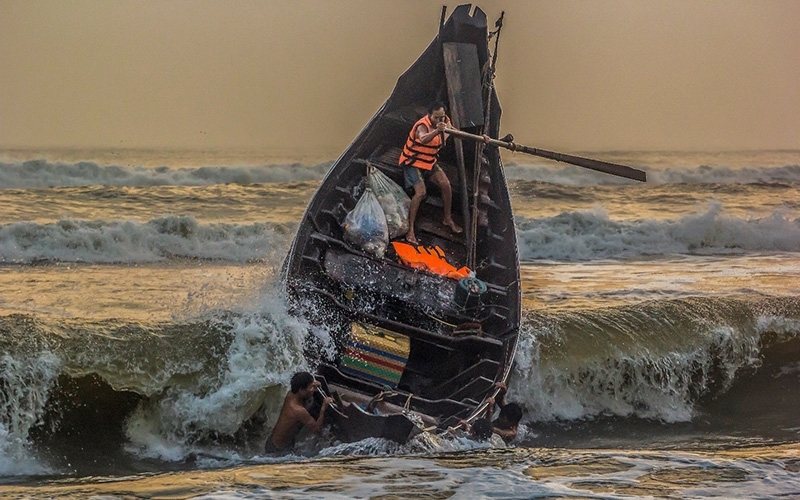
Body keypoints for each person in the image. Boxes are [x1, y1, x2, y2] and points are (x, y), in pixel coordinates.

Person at [398, 102, 463, 245]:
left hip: (429, 161)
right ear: (429, 116)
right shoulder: (422, 126)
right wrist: (436, 131)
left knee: (445, 184)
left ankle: (447, 218)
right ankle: (410, 231)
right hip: (413, 162)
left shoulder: (445, 122)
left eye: (442, 117)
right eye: (436, 118)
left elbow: (456, 132)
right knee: (420, 192)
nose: (440, 120)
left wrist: (483, 139)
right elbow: (423, 138)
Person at [265, 371, 333, 454]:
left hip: (273, 441)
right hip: (278, 450)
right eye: (311, 387)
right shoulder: (299, 411)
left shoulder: (290, 394)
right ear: (301, 390)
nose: (312, 390)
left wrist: (312, 384)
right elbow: (317, 430)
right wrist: (323, 408)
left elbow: (304, 395)